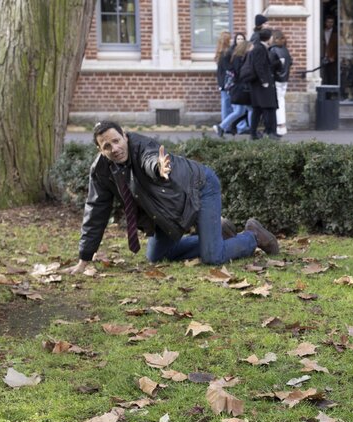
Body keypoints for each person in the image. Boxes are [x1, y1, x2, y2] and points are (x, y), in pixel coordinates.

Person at [68, 121, 279, 275]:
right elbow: (95, 211)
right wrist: (84, 259)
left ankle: (252, 236)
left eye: (116, 141)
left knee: (213, 257)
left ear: (125, 135)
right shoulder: (101, 171)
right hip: (166, 207)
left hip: (200, 186)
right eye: (107, 146)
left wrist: (159, 167)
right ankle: (218, 235)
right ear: (100, 149)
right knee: (156, 255)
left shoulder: (143, 146)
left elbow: (149, 160)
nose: (114, 149)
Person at [248, 29, 280, 140]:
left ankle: (256, 133)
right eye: (271, 37)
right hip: (261, 85)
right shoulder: (260, 49)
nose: (273, 39)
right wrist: (264, 81)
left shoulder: (260, 48)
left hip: (259, 84)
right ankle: (268, 132)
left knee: (258, 110)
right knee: (266, 108)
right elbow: (258, 66)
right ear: (268, 37)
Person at [216, 39, 251, 137]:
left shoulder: (239, 57)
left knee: (244, 110)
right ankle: (223, 126)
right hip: (238, 88)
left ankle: (225, 126)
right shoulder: (238, 58)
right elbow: (238, 73)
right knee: (241, 110)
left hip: (238, 87)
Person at [270, 30, 293, 136]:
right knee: (281, 101)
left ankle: (280, 125)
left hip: (277, 79)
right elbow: (290, 63)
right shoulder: (285, 50)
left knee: (278, 103)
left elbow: (271, 66)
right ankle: (281, 125)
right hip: (285, 79)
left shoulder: (273, 50)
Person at [214, 31, 233, 130]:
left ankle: (226, 125)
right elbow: (228, 68)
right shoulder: (227, 53)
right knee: (227, 104)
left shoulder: (220, 52)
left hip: (222, 81)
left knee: (225, 103)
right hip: (227, 82)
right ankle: (226, 126)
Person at [321, 15, 338, 85]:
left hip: (332, 58)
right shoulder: (322, 32)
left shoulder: (336, 33)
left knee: (331, 76)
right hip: (323, 57)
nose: (330, 24)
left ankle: (330, 94)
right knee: (323, 76)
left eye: (331, 22)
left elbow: (337, 47)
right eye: (328, 22)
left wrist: (333, 57)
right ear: (325, 22)